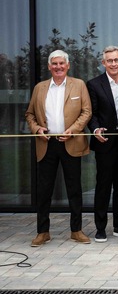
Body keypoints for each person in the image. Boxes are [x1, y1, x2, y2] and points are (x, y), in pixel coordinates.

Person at [25, 50, 92, 247]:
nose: (58, 67)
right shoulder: (40, 88)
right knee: (44, 190)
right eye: (54, 63)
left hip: (70, 142)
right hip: (47, 144)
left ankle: (76, 230)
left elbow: (86, 111)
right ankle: (43, 232)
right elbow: (29, 114)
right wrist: (37, 129)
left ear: (68, 65)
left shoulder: (78, 85)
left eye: (61, 63)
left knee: (74, 189)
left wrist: (73, 130)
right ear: (49, 66)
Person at [86, 45, 118, 242]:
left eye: (116, 60)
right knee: (103, 185)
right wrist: (96, 129)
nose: (113, 63)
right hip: (105, 141)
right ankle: (100, 228)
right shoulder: (94, 84)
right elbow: (92, 113)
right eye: (110, 60)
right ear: (103, 63)